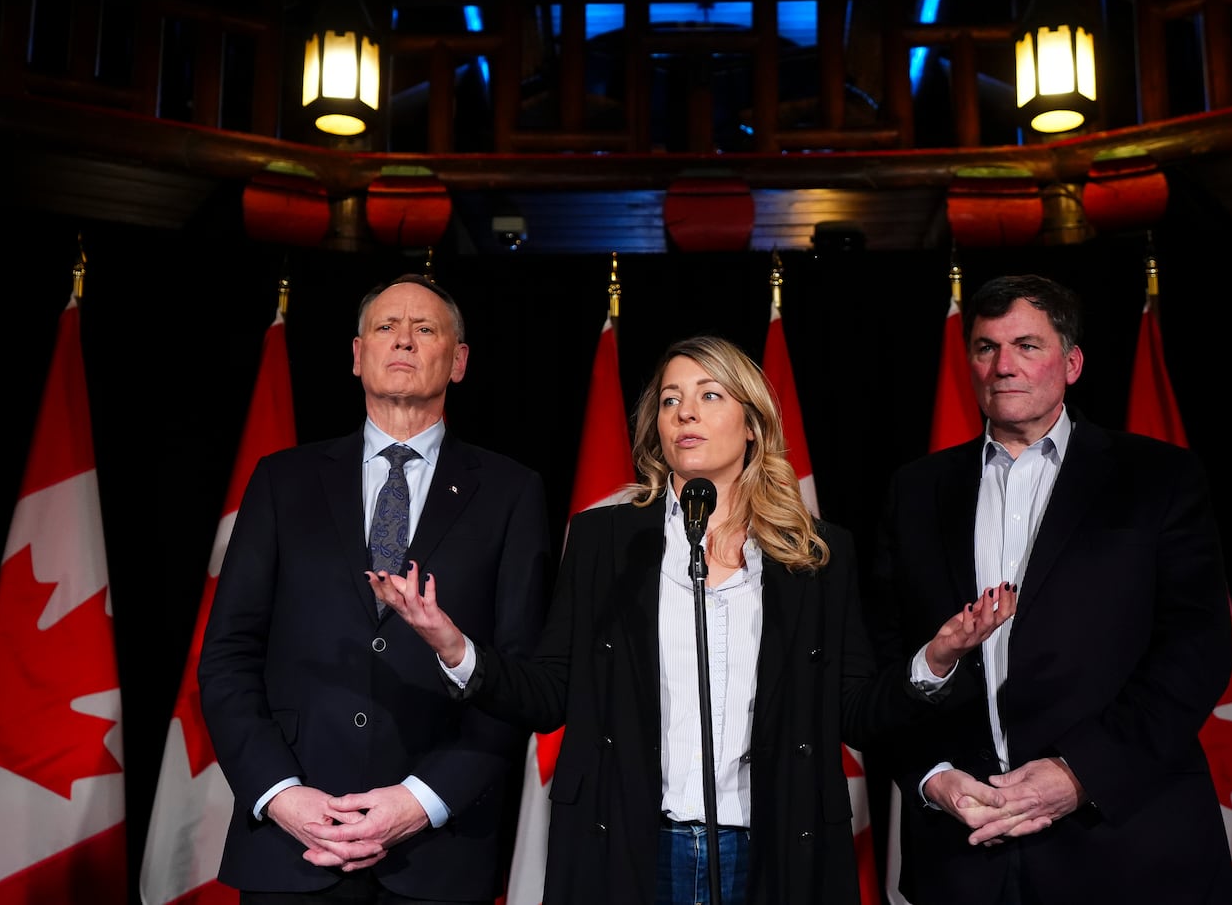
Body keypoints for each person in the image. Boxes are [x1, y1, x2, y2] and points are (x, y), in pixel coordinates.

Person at [369, 334, 1016, 905]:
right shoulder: (604, 540)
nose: (685, 412)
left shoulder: (818, 554)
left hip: (776, 846)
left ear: (753, 422)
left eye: (709, 395)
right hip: (629, 842)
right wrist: (454, 646)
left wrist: (934, 658)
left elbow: (853, 711)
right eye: (672, 398)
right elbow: (549, 692)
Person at [866, 273, 1232, 904]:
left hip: (1127, 849)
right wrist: (932, 778)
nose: (1003, 365)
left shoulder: (1157, 478)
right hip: (965, 856)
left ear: (1072, 363)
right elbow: (882, 658)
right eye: (986, 347)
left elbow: (1196, 650)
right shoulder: (915, 491)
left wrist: (1079, 773)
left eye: (1027, 345)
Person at [198, 273, 550, 904]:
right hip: (293, 845)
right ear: (358, 355)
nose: (404, 341)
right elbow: (227, 658)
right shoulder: (283, 481)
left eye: (425, 329)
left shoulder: (511, 494)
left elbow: (518, 680)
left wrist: (422, 801)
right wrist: (280, 794)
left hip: (437, 855)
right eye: (386, 327)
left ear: (459, 361)